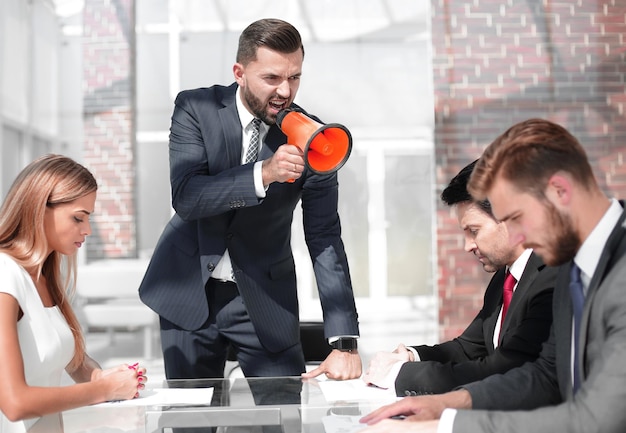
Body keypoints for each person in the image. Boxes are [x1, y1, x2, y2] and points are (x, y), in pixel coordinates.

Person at [359, 118, 626, 433]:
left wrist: (440, 427)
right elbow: (546, 375)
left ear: (559, 191)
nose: (515, 238)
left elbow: (596, 420)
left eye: (515, 218)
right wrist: (445, 405)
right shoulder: (573, 265)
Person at [138, 18, 361, 380]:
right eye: (272, 78)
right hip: (188, 291)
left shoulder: (314, 138)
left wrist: (344, 341)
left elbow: (324, 238)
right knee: (190, 420)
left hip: (266, 299)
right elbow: (188, 197)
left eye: (295, 77)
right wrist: (265, 174)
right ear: (239, 72)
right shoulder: (196, 109)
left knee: (282, 417)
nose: (286, 92)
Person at [363, 160, 556, 395]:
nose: (467, 246)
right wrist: (412, 356)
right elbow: (469, 348)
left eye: (474, 232)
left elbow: (509, 367)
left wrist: (399, 374)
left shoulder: (551, 277)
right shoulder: (504, 277)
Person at [0, 154, 147, 433]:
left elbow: (68, 359)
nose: (87, 230)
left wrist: (101, 376)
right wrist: (104, 389)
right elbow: (14, 402)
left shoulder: (44, 278)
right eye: (78, 218)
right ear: (38, 208)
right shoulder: (4, 274)